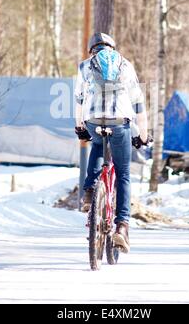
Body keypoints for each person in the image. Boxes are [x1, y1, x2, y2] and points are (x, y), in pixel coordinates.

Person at [74, 32, 150, 253]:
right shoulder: (125, 65)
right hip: (119, 122)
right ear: (112, 47)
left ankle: (89, 192)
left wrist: (80, 126)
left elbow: (79, 99)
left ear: (92, 49)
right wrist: (143, 134)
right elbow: (138, 102)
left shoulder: (84, 66)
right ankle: (122, 227)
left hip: (93, 119)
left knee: (97, 145)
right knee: (123, 172)